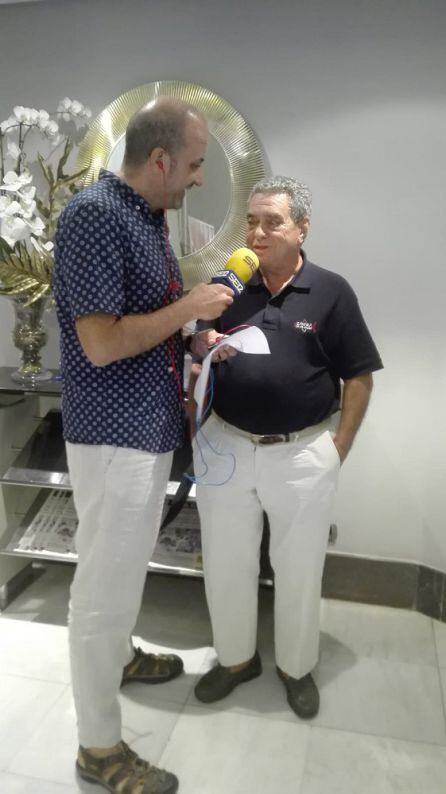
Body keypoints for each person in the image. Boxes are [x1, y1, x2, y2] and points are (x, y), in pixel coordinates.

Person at [53, 97, 233, 794]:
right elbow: (99, 346)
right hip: (113, 432)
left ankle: (119, 658)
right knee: (103, 586)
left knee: (121, 573)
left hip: (145, 424)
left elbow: (139, 319)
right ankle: (98, 748)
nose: (195, 179)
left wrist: (194, 336)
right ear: (158, 160)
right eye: (191, 165)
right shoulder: (95, 217)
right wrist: (188, 308)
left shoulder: (145, 217)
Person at [189, 175, 383, 720]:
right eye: (251, 221)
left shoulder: (331, 291)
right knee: (225, 565)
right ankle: (235, 661)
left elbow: (360, 375)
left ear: (302, 228)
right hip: (226, 446)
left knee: (298, 568)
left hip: (301, 452)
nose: (257, 231)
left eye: (271, 221)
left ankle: (296, 668)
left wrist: (337, 448)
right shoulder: (227, 286)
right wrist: (200, 342)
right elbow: (198, 345)